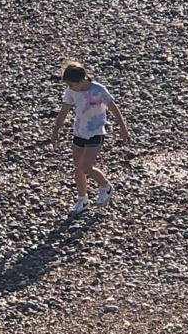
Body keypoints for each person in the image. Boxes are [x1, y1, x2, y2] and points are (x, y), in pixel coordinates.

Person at [50, 59, 129, 216]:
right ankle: (82, 199)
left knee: (86, 166)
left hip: (96, 132)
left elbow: (114, 109)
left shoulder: (98, 90)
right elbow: (64, 111)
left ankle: (105, 186)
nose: (70, 88)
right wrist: (55, 131)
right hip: (79, 132)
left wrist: (123, 128)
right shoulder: (71, 91)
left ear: (81, 80)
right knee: (78, 168)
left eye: (72, 84)